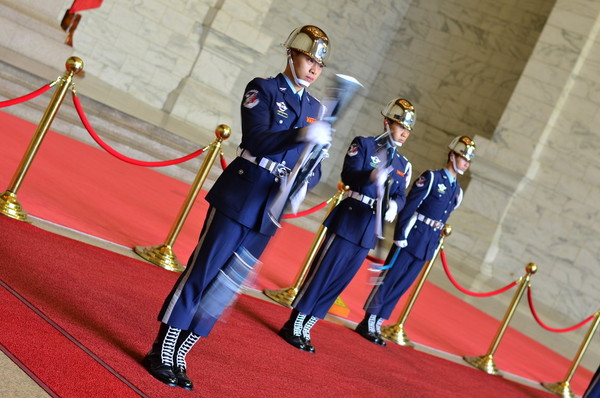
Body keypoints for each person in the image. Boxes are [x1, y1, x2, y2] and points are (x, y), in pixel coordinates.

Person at [142, 25, 332, 390]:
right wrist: (302, 135)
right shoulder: (263, 88)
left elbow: (315, 164)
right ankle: (162, 349)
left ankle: (183, 352)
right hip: (243, 193)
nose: (313, 68)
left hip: (271, 208)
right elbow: (257, 139)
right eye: (309, 58)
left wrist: (311, 167)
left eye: (319, 64)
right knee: (204, 272)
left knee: (225, 286)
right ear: (291, 54)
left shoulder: (316, 108)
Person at [278, 98, 416, 353]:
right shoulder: (364, 144)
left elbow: (400, 194)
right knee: (323, 274)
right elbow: (349, 176)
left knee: (338, 282)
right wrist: (371, 176)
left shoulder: (403, 165)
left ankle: (308, 326)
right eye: (400, 126)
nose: (404, 132)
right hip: (349, 218)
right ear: (387, 122)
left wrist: (395, 206)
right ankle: (294, 323)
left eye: (408, 129)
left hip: (367, 229)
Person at [356, 135, 476, 345]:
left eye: (468, 160)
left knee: (402, 285)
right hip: (412, 236)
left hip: (428, 242)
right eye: (463, 157)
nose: (466, 163)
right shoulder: (431, 178)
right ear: (452, 155)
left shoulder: (457, 191)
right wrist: (400, 235)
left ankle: (379, 321)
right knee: (390, 279)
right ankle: (369, 320)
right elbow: (410, 206)